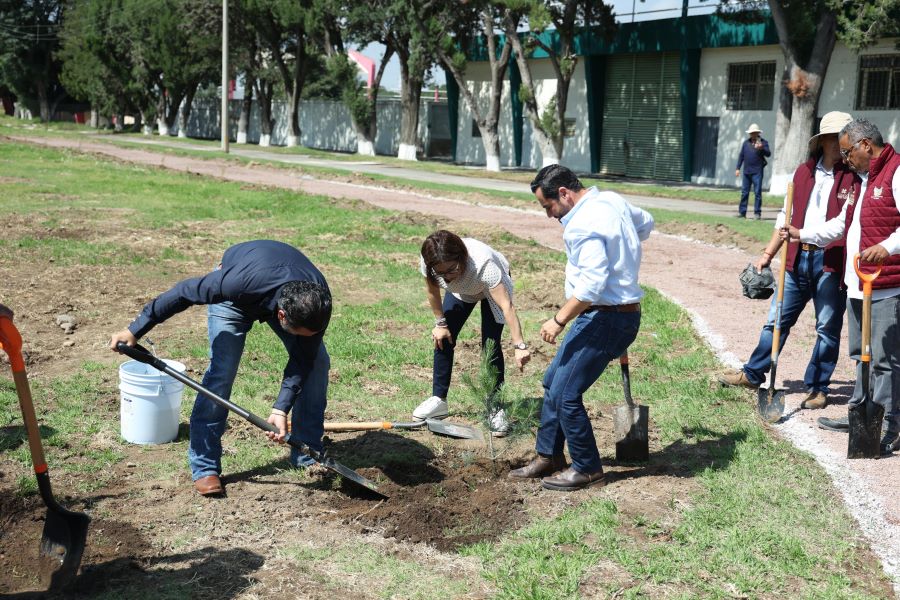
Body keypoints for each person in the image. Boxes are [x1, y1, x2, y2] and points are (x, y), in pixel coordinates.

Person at [109, 240, 332, 495]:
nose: (305, 337)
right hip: (238, 295)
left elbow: (303, 359)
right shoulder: (234, 283)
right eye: (300, 333)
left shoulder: (318, 304)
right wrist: (134, 329)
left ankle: (307, 454)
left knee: (317, 363)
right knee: (222, 371)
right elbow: (183, 292)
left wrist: (281, 408)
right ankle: (205, 466)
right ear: (282, 316)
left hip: (282, 290)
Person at [509, 165, 654, 491]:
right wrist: (623, 256)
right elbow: (646, 224)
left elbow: (590, 286)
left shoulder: (582, 225)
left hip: (606, 317)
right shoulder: (612, 201)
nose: (549, 215)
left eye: (548, 207)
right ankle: (549, 456)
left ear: (564, 193)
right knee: (553, 382)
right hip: (611, 313)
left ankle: (588, 469)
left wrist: (558, 319)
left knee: (567, 395)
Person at [719, 112, 860, 409]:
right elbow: (786, 217)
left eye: (845, 138)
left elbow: (842, 225)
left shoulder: (854, 177)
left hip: (831, 262)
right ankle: (754, 373)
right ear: (821, 141)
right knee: (775, 321)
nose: (840, 144)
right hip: (796, 259)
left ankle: (818, 387)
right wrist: (768, 254)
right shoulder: (802, 173)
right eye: (834, 138)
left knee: (826, 328)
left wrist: (802, 233)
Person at [781, 118, 900, 455]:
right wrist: (802, 234)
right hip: (856, 284)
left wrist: (887, 248)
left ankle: (891, 423)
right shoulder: (861, 182)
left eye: (848, 152)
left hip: (885, 287)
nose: (845, 159)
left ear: (866, 145)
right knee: (860, 355)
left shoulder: (896, 172)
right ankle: (862, 414)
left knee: (884, 360)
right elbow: (840, 226)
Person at [414, 230, 531, 435]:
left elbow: (507, 307)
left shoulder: (485, 265)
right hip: (463, 291)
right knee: (443, 336)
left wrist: (519, 345)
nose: (446, 278)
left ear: (461, 257)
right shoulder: (431, 262)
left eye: (451, 270)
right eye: (440, 273)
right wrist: (440, 323)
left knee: (490, 343)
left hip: (490, 289)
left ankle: (495, 407)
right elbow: (432, 291)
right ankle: (438, 400)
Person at [735, 124, 771, 219]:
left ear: (758, 133)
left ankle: (757, 213)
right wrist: (738, 168)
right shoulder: (746, 143)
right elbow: (741, 156)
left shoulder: (763, 142)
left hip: (757, 172)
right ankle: (742, 213)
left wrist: (761, 148)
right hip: (746, 172)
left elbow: (768, 154)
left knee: (757, 193)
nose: (753, 134)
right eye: (751, 133)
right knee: (744, 193)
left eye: (755, 133)